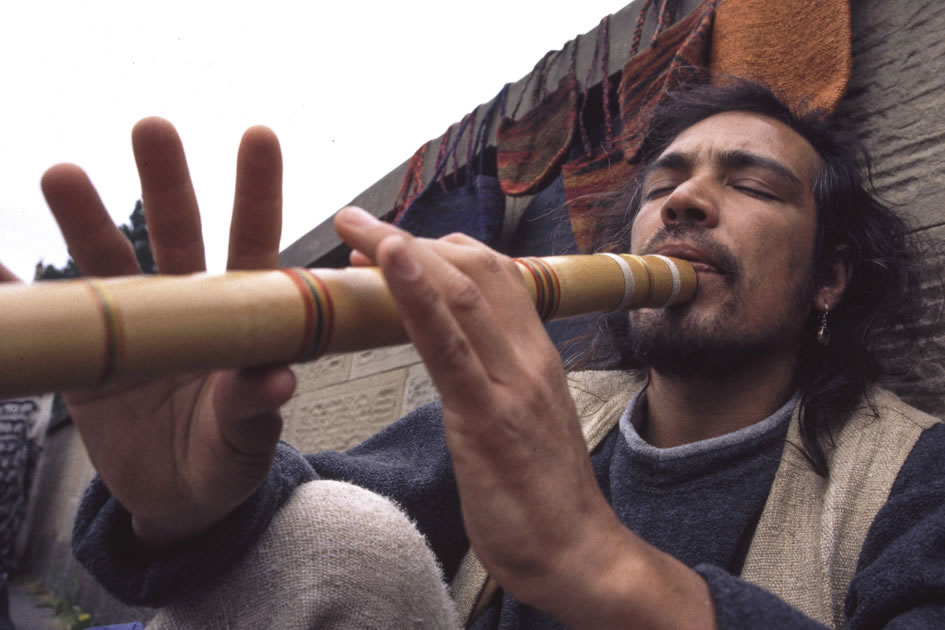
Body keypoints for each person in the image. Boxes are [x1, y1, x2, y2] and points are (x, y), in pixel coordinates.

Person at [27, 80, 945, 628]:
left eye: (748, 185)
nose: (684, 203)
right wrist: (188, 511)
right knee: (323, 534)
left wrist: (597, 565)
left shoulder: (911, 472)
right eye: (663, 183)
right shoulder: (541, 411)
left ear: (828, 278)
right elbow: (299, 519)